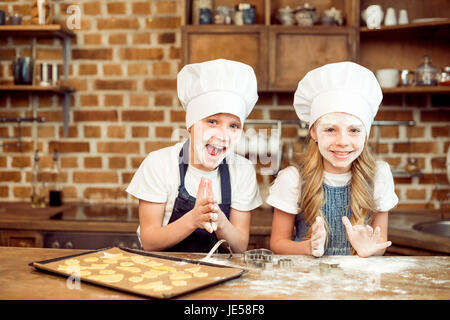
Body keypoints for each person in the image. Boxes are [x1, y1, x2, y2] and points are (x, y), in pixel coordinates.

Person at [126, 59, 262, 253]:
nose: (222, 135)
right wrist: (193, 219)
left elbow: (239, 247)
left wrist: (219, 221)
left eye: (233, 125)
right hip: (164, 275)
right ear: (190, 124)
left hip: (221, 277)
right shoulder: (159, 164)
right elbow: (150, 242)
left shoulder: (243, 170)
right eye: (212, 121)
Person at [267, 61, 398, 257]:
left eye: (354, 130)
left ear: (366, 134)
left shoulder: (379, 176)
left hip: (358, 283)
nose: (342, 142)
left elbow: (380, 242)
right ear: (314, 132)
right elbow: (277, 243)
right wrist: (307, 248)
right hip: (307, 282)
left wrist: (370, 250)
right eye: (330, 130)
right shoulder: (292, 179)